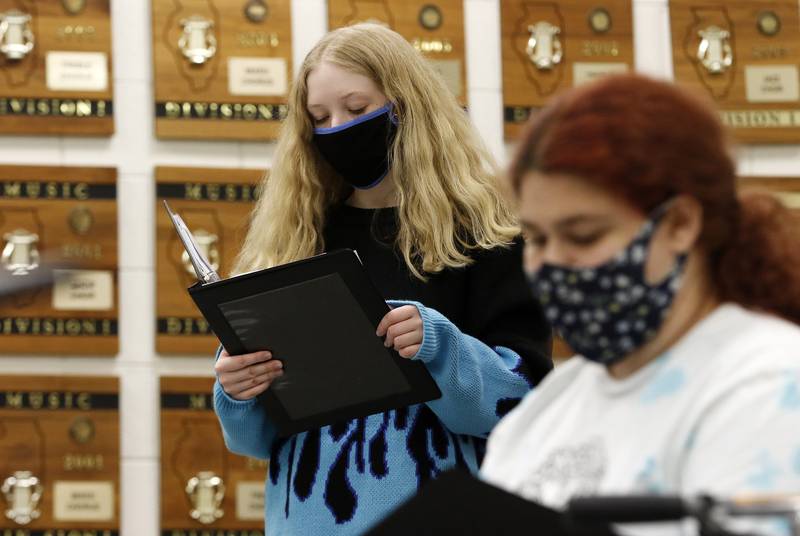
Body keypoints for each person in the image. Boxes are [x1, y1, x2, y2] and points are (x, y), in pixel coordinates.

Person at [212, 23, 552, 535]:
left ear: (407, 103)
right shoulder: (297, 234)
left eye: (357, 107)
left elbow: (521, 403)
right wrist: (239, 391)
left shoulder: (486, 234)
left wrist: (440, 347)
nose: (337, 128)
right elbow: (257, 441)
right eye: (319, 117)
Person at [481, 72, 800, 530]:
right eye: (535, 238)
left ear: (679, 225)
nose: (552, 262)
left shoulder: (767, 385)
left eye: (583, 235)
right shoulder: (547, 408)